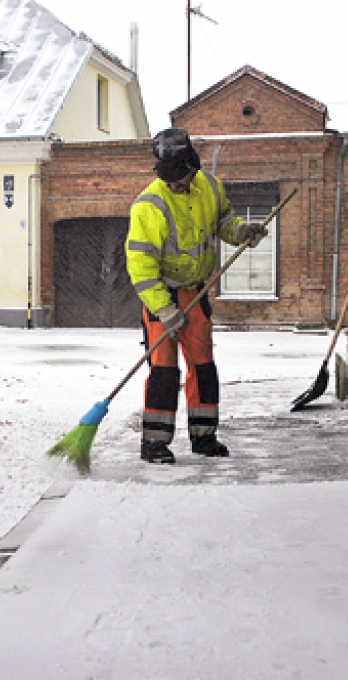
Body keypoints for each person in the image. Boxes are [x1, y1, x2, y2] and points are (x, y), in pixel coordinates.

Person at [126, 128, 268, 464]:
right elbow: (141, 267)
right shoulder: (148, 206)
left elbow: (224, 221)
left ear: (192, 168)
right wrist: (163, 309)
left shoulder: (211, 188)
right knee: (164, 370)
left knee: (203, 366)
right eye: (169, 179)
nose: (174, 184)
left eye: (179, 178)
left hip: (197, 292)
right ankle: (155, 444)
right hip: (161, 295)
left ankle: (204, 437)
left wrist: (242, 232)